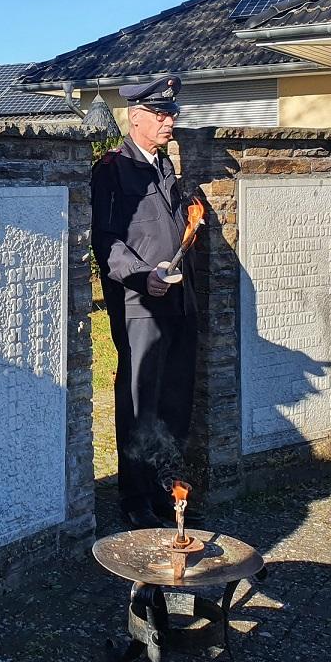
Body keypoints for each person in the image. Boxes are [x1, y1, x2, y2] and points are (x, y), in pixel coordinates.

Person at [91, 75, 197, 529]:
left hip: (178, 299)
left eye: (171, 113)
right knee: (139, 402)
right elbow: (107, 239)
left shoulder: (164, 166)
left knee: (175, 401)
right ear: (135, 118)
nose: (169, 121)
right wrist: (140, 274)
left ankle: (165, 491)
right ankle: (134, 497)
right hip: (140, 303)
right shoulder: (113, 169)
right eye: (161, 114)